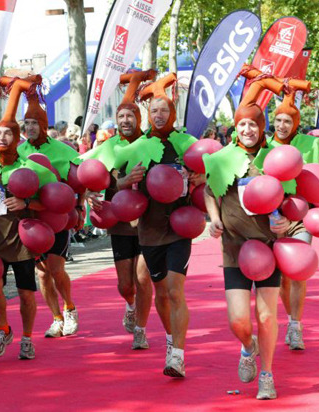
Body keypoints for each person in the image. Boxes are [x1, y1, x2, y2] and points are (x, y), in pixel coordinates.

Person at [203, 73, 290, 400]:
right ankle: (247, 346)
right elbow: (209, 192)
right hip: (234, 251)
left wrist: (285, 222)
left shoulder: (275, 158)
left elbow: (293, 198)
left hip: (269, 249)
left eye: (253, 124)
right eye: (242, 125)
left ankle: (266, 374)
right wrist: (213, 218)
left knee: (266, 316)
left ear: (261, 126)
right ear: (234, 128)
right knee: (238, 320)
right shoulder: (222, 159)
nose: (248, 130)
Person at [113, 73, 198, 377]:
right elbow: (116, 182)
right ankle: (170, 339)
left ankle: (178, 354)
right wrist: (128, 180)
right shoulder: (137, 146)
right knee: (161, 292)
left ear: (172, 113)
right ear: (147, 115)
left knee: (175, 290)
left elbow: (208, 174)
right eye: (154, 111)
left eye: (164, 110)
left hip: (180, 225)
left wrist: (197, 177)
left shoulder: (186, 142)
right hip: (148, 229)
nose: (159, 115)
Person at [0, 76, 57, 359]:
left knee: (26, 294)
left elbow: (52, 203)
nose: (2, 138)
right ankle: (4, 329)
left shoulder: (32, 167)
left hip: (21, 242)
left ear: (17, 139)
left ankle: (27, 337)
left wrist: (26, 201)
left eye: (7, 134)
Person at [262, 68, 319, 351]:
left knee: (298, 271)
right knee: (281, 276)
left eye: (287, 121)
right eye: (278, 120)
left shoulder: (312, 143)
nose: (282, 125)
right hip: (274, 217)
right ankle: (291, 318)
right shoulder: (265, 145)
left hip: (303, 216)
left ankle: (295, 325)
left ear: (296, 123)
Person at [84, 70, 155, 350]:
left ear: (139, 118)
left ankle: (141, 328)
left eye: (130, 116)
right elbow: (88, 175)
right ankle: (129, 304)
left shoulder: (151, 143)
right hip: (120, 223)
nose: (126, 121)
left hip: (148, 221)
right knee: (126, 285)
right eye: (121, 117)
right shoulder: (107, 147)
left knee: (142, 278)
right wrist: (90, 193)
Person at [18, 75, 84, 338]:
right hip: (32, 218)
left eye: (35, 123)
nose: (30, 127)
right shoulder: (19, 150)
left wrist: (80, 211)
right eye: (27, 123)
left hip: (58, 216)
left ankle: (70, 308)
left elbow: (80, 182)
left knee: (56, 269)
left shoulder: (64, 150)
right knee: (42, 274)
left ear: (44, 125)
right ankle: (56, 318)